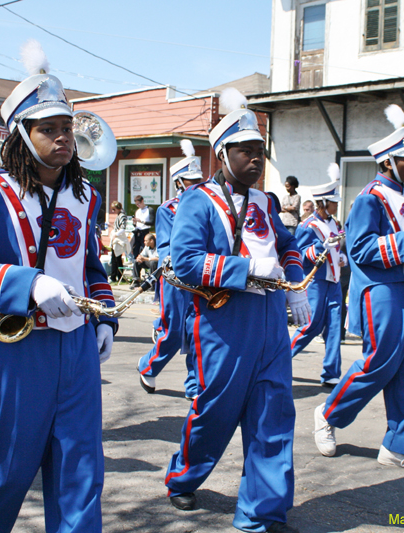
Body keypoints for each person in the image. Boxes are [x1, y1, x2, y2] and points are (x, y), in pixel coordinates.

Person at [0, 41, 117, 533]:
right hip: (13, 351)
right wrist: (29, 283)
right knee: (3, 474)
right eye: (49, 128)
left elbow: (91, 268)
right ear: (21, 133)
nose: (63, 137)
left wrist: (103, 316)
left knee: (82, 473)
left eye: (66, 127)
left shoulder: (87, 195)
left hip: (77, 349)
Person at [164, 88, 309, 533]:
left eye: (260, 151)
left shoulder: (267, 202)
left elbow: (289, 246)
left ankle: (262, 514)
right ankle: (182, 477)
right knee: (214, 412)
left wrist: (294, 281)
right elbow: (184, 263)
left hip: (268, 323)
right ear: (222, 153)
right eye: (245, 151)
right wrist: (246, 268)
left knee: (274, 415)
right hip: (223, 322)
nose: (255, 160)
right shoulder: (198, 201)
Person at [313, 105, 404, 472]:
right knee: (379, 363)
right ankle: (328, 414)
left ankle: (400, 447)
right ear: (387, 162)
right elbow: (361, 248)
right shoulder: (370, 198)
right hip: (383, 290)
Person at [137, 139, 202, 398]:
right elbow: (165, 246)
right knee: (174, 332)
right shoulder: (167, 209)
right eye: (191, 182)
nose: (197, 186)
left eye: (199, 181)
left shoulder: (207, 206)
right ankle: (147, 366)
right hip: (175, 277)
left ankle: (194, 385)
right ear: (178, 184)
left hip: (201, 275)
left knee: (198, 331)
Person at [290, 163, 345, 386]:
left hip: (334, 280)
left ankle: (331, 373)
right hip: (315, 282)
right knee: (310, 326)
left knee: (334, 327)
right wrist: (321, 247)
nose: (335, 206)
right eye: (333, 202)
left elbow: (339, 250)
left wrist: (341, 257)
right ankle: (278, 359)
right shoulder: (308, 225)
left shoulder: (335, 223)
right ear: (323, 202)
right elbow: (300, 255)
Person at [108, 201, 129, 282]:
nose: (113, 211)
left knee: (116, 258)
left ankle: (115, 276)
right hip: (116, 238)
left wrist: (115, 234)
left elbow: (123, 228)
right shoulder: (119, 215)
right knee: (116, 258)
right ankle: (117, 276)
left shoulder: (122, 216)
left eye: (114, 209)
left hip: (118, 239)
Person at [130, 194, 153, 259]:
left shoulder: (149, 210)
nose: (138, 205)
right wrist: (134, 222)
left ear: (142, 201)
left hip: (145, 231)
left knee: (144, 248)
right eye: (136, 204)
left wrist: (141, 221)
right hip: (138, 231)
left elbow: (151, 222)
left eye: (139, 204)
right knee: (136, 249)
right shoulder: (137, 211)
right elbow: (136, 225)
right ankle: (136, 263)